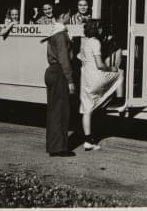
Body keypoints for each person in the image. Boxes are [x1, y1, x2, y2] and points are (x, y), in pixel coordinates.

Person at [77, 19, 122, 151]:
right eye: (100, 28)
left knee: (87, 109)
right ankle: (118, 99)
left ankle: (88, 140)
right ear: (96, 29)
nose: (102, 30)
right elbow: (100, 65)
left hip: (85, 77)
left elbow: (81, 58)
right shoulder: (96, 42)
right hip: (96, 76)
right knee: (120, 73)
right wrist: (112, 68)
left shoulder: (85, 42)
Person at [44, 17, 75, 157]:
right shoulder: (61, 35)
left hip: (52, 71)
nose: (69, 16)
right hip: (59, 73)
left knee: (54, 110)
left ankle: (53, 146)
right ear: (63, 15)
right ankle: (59, 148)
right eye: (68, 14)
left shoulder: (54, 32)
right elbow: (64, 59)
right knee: (61, 111)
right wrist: (70, 80)